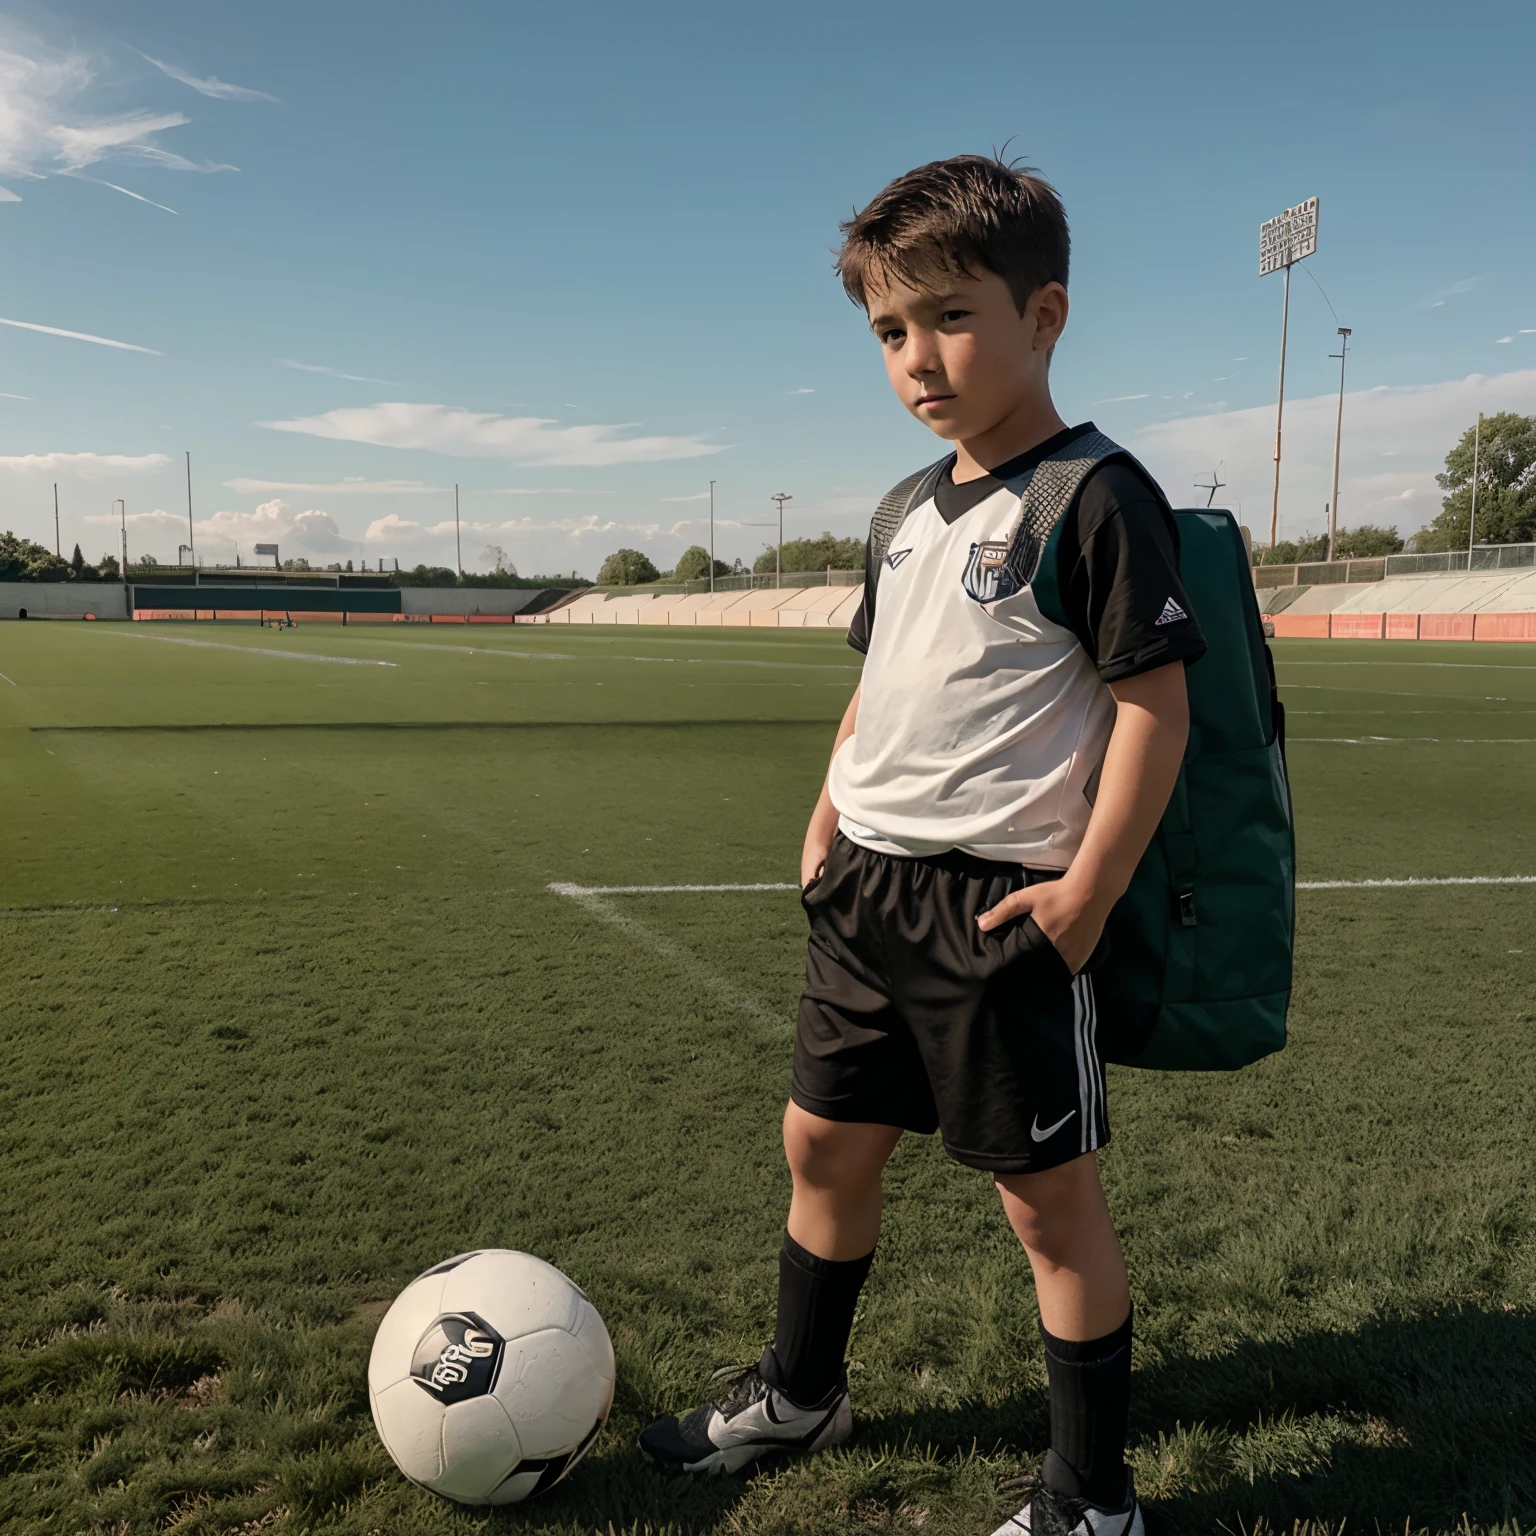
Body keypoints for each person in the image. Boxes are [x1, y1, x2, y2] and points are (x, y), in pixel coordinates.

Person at [638, 155, 1206, 1536]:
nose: (919, 358)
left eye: (952, 318)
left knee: (1043, 1204)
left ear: (1045, 313)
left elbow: (1155, 704)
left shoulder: (1092, 497)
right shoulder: (902, 513)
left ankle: (1093, 1503)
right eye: (892, 332)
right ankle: (801, 1389)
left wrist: (1090, 891)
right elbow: (882, 680)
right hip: (865, 894)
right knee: (822, 1147)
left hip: (1002, 911)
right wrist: (830, 814)